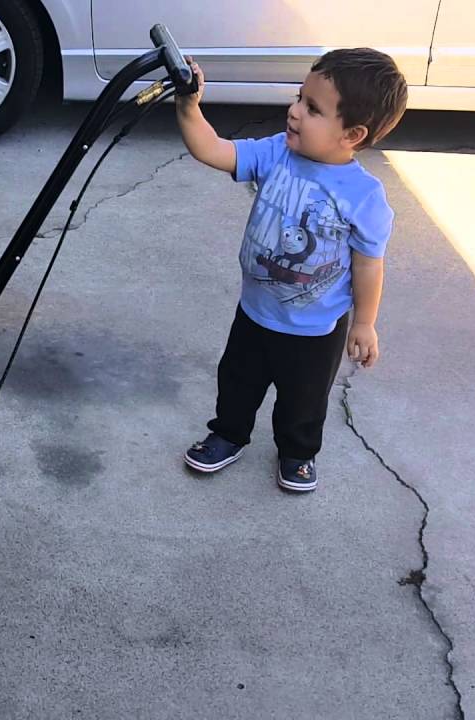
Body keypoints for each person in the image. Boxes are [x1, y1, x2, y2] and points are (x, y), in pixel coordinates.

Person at [176, 48, 407, 492]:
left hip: (315, 330)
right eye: (300, 98)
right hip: (255, 311)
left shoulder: (363, 196)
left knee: (304, 399)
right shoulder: (275, 153)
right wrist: (189, 106)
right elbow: (213, 149)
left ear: (352, 134)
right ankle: (228, 434)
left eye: (313, 108)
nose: (295, 111)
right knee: (237, 382)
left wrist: (365, 322)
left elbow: (368, 265)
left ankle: (298, 452)